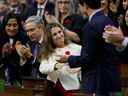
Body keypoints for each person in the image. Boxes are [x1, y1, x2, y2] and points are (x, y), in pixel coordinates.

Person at [57, 0, 121, 95]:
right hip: (110, 79)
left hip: (97, 82)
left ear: (85, 5)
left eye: (79, 6)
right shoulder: (107, 20)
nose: (79, 10)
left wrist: (68, 59)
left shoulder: (90, 26)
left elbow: (87, 58)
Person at [39, 23, 82, 96]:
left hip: (74, 86)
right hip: (53, 87)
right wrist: (55, 65)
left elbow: (85, 63)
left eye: (60, 32)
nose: (59, 35)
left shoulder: (77, 48)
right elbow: (42, 68)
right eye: (54, 34)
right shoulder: (48, 52)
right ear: (50, 38)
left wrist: (80, 69)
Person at [0, 12, 28, 86]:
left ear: (19, 26)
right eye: (8, 25)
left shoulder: (25, 39)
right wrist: (3, 55)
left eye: (15, 25)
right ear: (4, 26)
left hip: (20, 79)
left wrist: (22, 56)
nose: (11, 28)